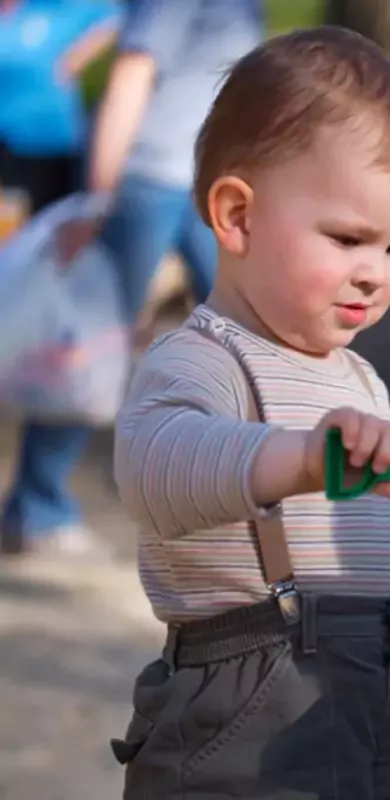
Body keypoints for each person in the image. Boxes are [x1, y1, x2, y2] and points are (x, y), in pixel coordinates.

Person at [107, 27, 390, 798]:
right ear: (238, 217)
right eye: (349, 238)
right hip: (246, 719)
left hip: (368, 712)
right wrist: (302, 458)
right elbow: (155, 470)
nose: (378, 275)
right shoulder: (202, 360)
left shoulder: (358, 382)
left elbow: (363, 560)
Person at [0, 0, 264, 558]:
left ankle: (255, 497)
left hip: (205, 182)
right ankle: (35, 508)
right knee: (93, 339)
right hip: (145, 181)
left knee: (256, 326)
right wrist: (98, 198)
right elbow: (130, 74)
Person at [0, 0, 120, 214]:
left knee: (45, 223)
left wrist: (78, 56)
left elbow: (116, 16)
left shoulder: (54, 7)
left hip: (45, 138)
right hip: (6, 133)